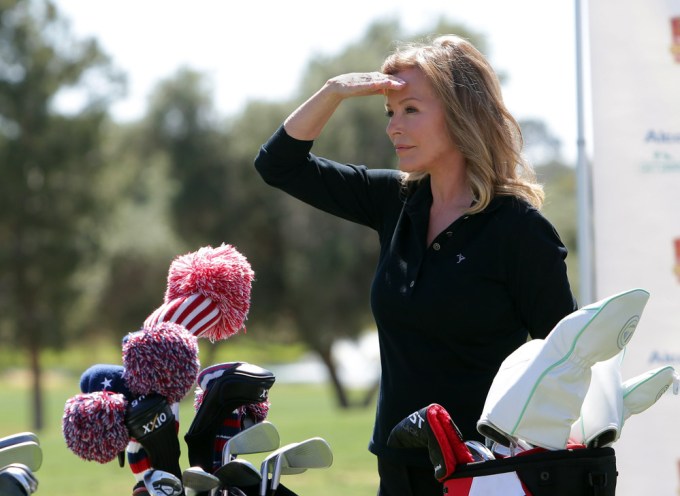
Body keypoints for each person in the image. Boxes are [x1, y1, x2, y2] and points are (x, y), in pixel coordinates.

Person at [254, 34, 577, 496]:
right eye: (390, 113)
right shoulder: (396, 202)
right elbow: (278, 164)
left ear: (462, 112)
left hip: (484, 474)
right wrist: (335, 91)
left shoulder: (520, 230)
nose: (393, 128)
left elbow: (564, 359)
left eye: (410, 110)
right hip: (398, 468)